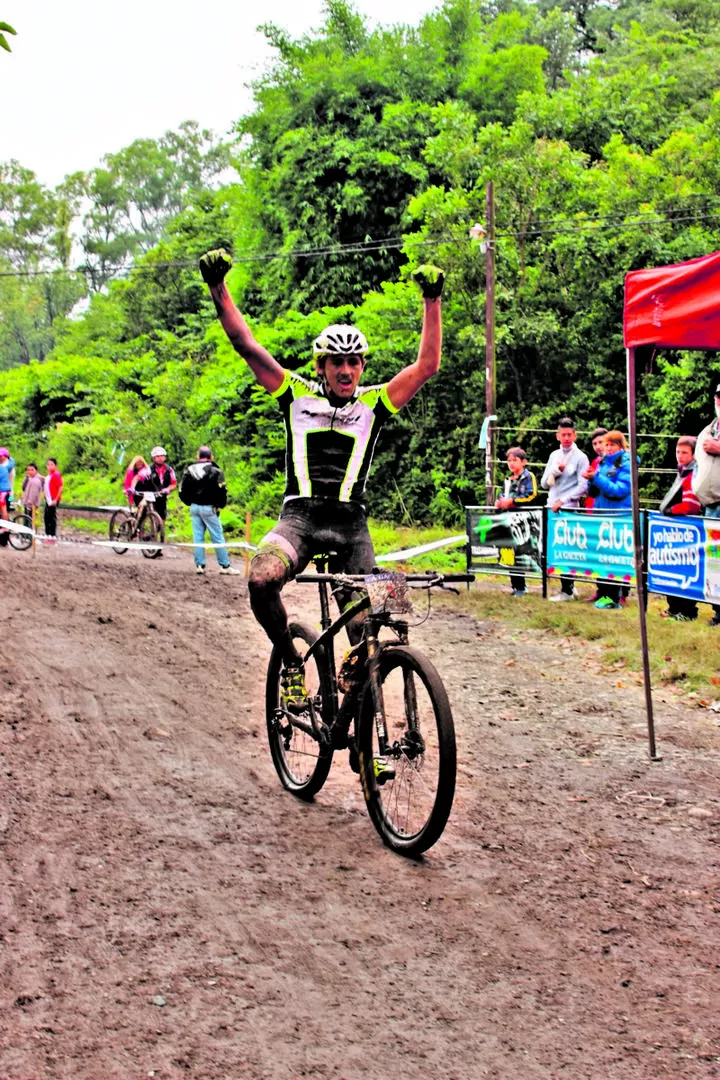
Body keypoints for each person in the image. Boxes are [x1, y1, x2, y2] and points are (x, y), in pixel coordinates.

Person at [199, 247, 444, 711]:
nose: (346, 371)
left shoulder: (374, 404)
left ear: (363, 368)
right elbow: (246, 345)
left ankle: (365, 741)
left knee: (369, 634)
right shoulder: (294, 395)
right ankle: (291, 660)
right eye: (336, 362)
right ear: (321, 366)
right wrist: (218, 288)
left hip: (352, 527)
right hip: (301, 520)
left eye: (354, 363)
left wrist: (432, 300)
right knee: (260, 578)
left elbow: (426, 366)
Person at [541, 417, 589, 601]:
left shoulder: (580, 457)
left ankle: (567, 589)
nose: (567, 438)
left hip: (568, 509)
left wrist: (564, 500)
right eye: (563, 434)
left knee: (567, 550)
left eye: (570, 434)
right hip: (552, 507)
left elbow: (582, 486)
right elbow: (545, 483)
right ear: (558, 436)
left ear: (575, 435)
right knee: (554, 549)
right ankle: (568, 587)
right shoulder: (554, 455)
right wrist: (555, 471)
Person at [584, 430, 632, 609]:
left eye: (612, 444)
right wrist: (590, 480)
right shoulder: (603, 463)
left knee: (614, 558)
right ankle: (603, 594)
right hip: (601, 514)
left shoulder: (626, 463)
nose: (608, 448)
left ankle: (614, 597)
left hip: (617, 516)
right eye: (607, 444)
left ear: (621, 445)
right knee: (601, 557)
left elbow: (619, 490)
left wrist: (596, 478)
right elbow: (594, 492)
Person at [179, 446, 242, 576]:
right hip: (209, 508)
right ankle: (225, 566)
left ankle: (199, 565)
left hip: (194, 507)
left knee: (198, 537)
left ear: (198, 457)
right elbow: (222, 490)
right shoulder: (216, 471)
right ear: (211, 457)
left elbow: (182, 490)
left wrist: (189, 502)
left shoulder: (189, 470)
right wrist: (220, 505)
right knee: (217, 537)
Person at [658, 436, 701, 621]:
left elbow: (692, 504)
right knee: (672, 570)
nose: (680, 456)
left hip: (688, 527)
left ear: (693, 454)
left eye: (684, 452)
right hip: (674, 529)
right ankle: (673, 608)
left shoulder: (694, 473)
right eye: (678, 452)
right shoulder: (681, 471)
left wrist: (671, 510)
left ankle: (688, 611)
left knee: (686, 571)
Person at [495, 447, 537, 596]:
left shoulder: (528, 477)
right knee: (509, 553)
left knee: (521, 553)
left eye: (515, 460)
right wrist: (499, 502)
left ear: (523, 462)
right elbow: (502, 495)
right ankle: (515, 585)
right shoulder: (507, 480)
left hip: (522, 521)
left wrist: (512, 502)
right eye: (509, 461)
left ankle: (522, 586)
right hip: (507, 520)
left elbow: (531, 496)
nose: (511, 464)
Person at [695, 384, 720, 625]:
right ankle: (718, 611)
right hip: (711, 505)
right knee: (715, 560)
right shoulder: (710, 428)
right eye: (719, 398)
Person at [43, 458, 63, 542]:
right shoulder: (49, 475)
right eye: (48, 465)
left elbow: (60, 487)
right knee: (46, 517)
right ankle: (48, 535)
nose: (50, 466)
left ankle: (52, 535)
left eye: (52, 464)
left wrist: (55, 499)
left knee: (51, 517)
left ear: (55, 465)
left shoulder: (56, 474)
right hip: (48, 498)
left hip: (53, 499)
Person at [0, 447, 15, 548]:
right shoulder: (8, 465)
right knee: (4, 512)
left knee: (4, 511)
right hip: (9, 492)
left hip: (7, 493)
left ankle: (4, 539)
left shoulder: (3, 467)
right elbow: (12, 461)